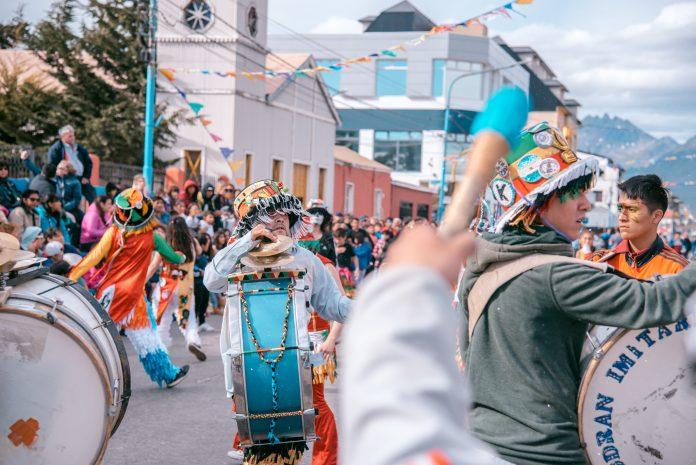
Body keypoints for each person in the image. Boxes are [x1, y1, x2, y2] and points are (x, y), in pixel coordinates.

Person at [457, 123, 696, 465]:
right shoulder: (555, 275)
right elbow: (655, 302)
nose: (586, 205)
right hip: (543, 454)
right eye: (572, 192)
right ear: (536, 205)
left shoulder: (477, 269)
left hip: (478, 446)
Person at [203, 179, 351, 464]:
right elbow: (211, 280)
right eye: (271, 213)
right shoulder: (237, 257)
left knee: (287, 453)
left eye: (284, 212)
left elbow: (335, 306)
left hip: (293, 372)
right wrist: (247, 241)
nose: (280, 218)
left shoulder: (306, 260)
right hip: (248, 373)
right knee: (259, 452)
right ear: (253, 221)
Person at [69, 188, 190, 388]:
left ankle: (81, 374)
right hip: (133, 297)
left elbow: (93, 258)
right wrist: (181, 257)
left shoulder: (113, 233)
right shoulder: (152, 237)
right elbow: (173, 257)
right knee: (147, 340)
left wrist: (72, 276)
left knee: (98, 335)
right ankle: (168, 375)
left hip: (109, 294)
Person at [592, 175, 688, 278]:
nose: (621, 217)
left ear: (656, 216)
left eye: (632, 209)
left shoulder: (678, 270)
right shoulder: (599, 261)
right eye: (620, 208)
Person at [150, 216, 206, 361]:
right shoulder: (192, 243)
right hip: (185, 288)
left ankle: (161, 349)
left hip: (166, 288)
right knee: (188, 318)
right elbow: (200, 252)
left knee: (162, 320)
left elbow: (153, 266)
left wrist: (143, 280)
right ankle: (192, 340)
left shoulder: (165, 245)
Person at [47, 125, 95, 202]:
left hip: (81, 178)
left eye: (73, 135)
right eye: (70, 136)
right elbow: (52, 165)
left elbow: (88, 162)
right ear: (63, 136)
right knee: (76, 196)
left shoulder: (78, 147)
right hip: (67, 177)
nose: (73, 138)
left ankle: (95, 212)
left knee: (91, 193)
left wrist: (86, 176)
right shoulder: (56, 148)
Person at [193, 233, 214, 332]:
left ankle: (202, 322)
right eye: (206, 242)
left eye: (209, 242)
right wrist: (199, 271)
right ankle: (193, 325)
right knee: (196, 304)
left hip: (205, 283)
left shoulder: (207, 255)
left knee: (204, 303)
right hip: (196, 283)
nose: (207, 245)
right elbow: (191, 266)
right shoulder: (195, 256)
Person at [55, 160, 84, 225]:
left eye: (61, 168)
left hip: (71, 209)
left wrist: (64, 208)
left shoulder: (75, 182)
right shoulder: (55, 179)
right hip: (56, 208)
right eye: (57, 168)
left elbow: (76, 199)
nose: (57, 170)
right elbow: (40, 172)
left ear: (66, 171)